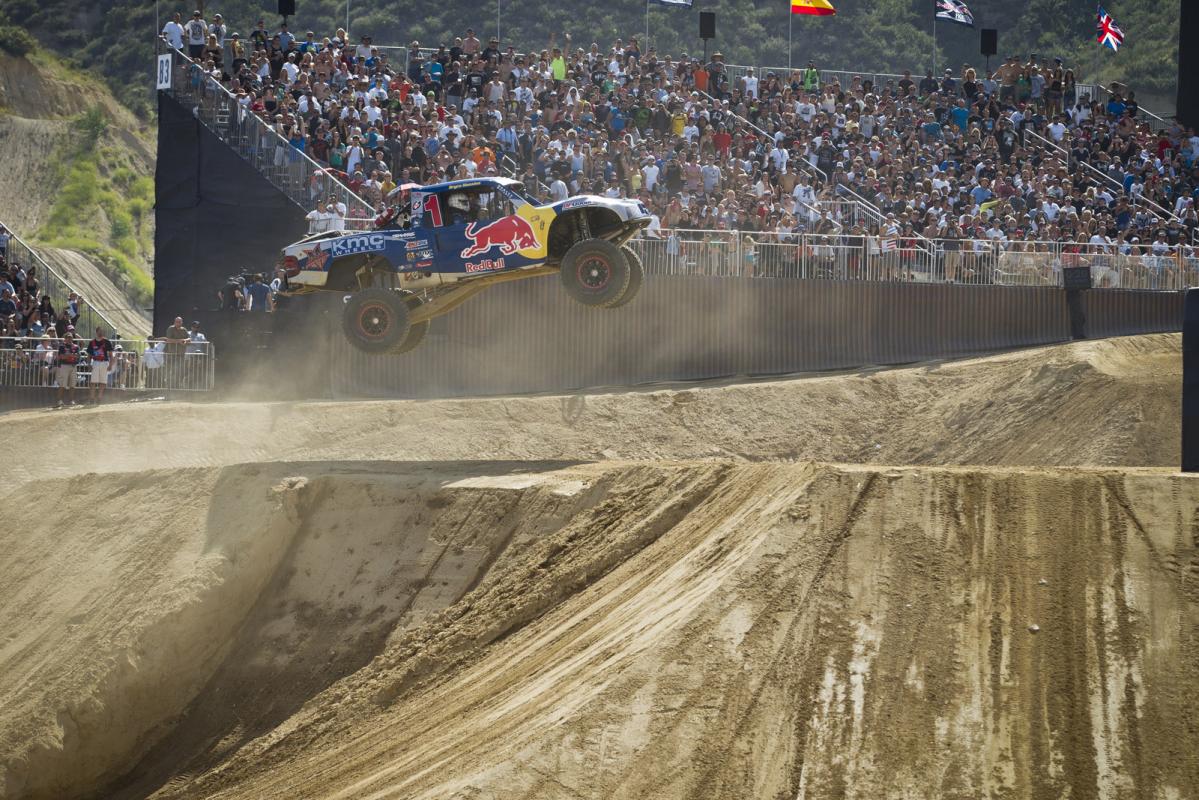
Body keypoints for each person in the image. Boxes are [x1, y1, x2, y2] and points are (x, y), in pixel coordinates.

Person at [86, 326, 114, 404]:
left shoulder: (107, 341)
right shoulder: (92, 342)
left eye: (102, 331)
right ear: (97, 331)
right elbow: (89, 355)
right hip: (95, 362)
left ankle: (99, 398)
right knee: (93, 381)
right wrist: (88, 364)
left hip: (104, 362)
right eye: (100, 331)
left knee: (103, 381)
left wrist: (110, 365)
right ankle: (92, 398)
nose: (101, 333)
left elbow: (111, 355)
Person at [54, 330, 81, 407]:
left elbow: (78, 356)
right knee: (62, 384)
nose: (69, 339)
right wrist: (72, 355)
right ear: (65, 338)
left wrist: (68, 355)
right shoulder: (62, 346)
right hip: (64, 366)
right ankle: (59, 401)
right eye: (68, 337)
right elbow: (62, 356)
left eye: (71, 337)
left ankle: (71, 400)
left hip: (73, 366)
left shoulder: (76, 347)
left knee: (72, 384)